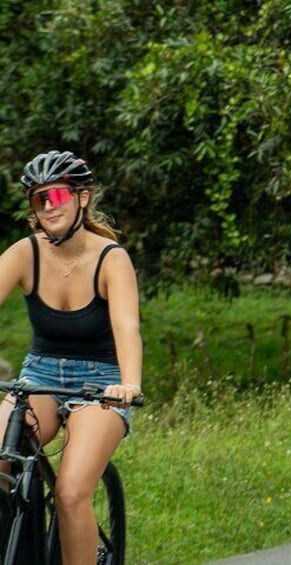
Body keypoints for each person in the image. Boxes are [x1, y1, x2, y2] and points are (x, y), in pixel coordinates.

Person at [0, 150, 143, 564]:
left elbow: (127, 330)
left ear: (82, 197)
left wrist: (129, 385)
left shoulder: (111, 258)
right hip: (39, 376)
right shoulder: (26, 253)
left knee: (71, 491)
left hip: (102, 383)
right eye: (39, 199)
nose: (48, 206)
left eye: (57, 195)